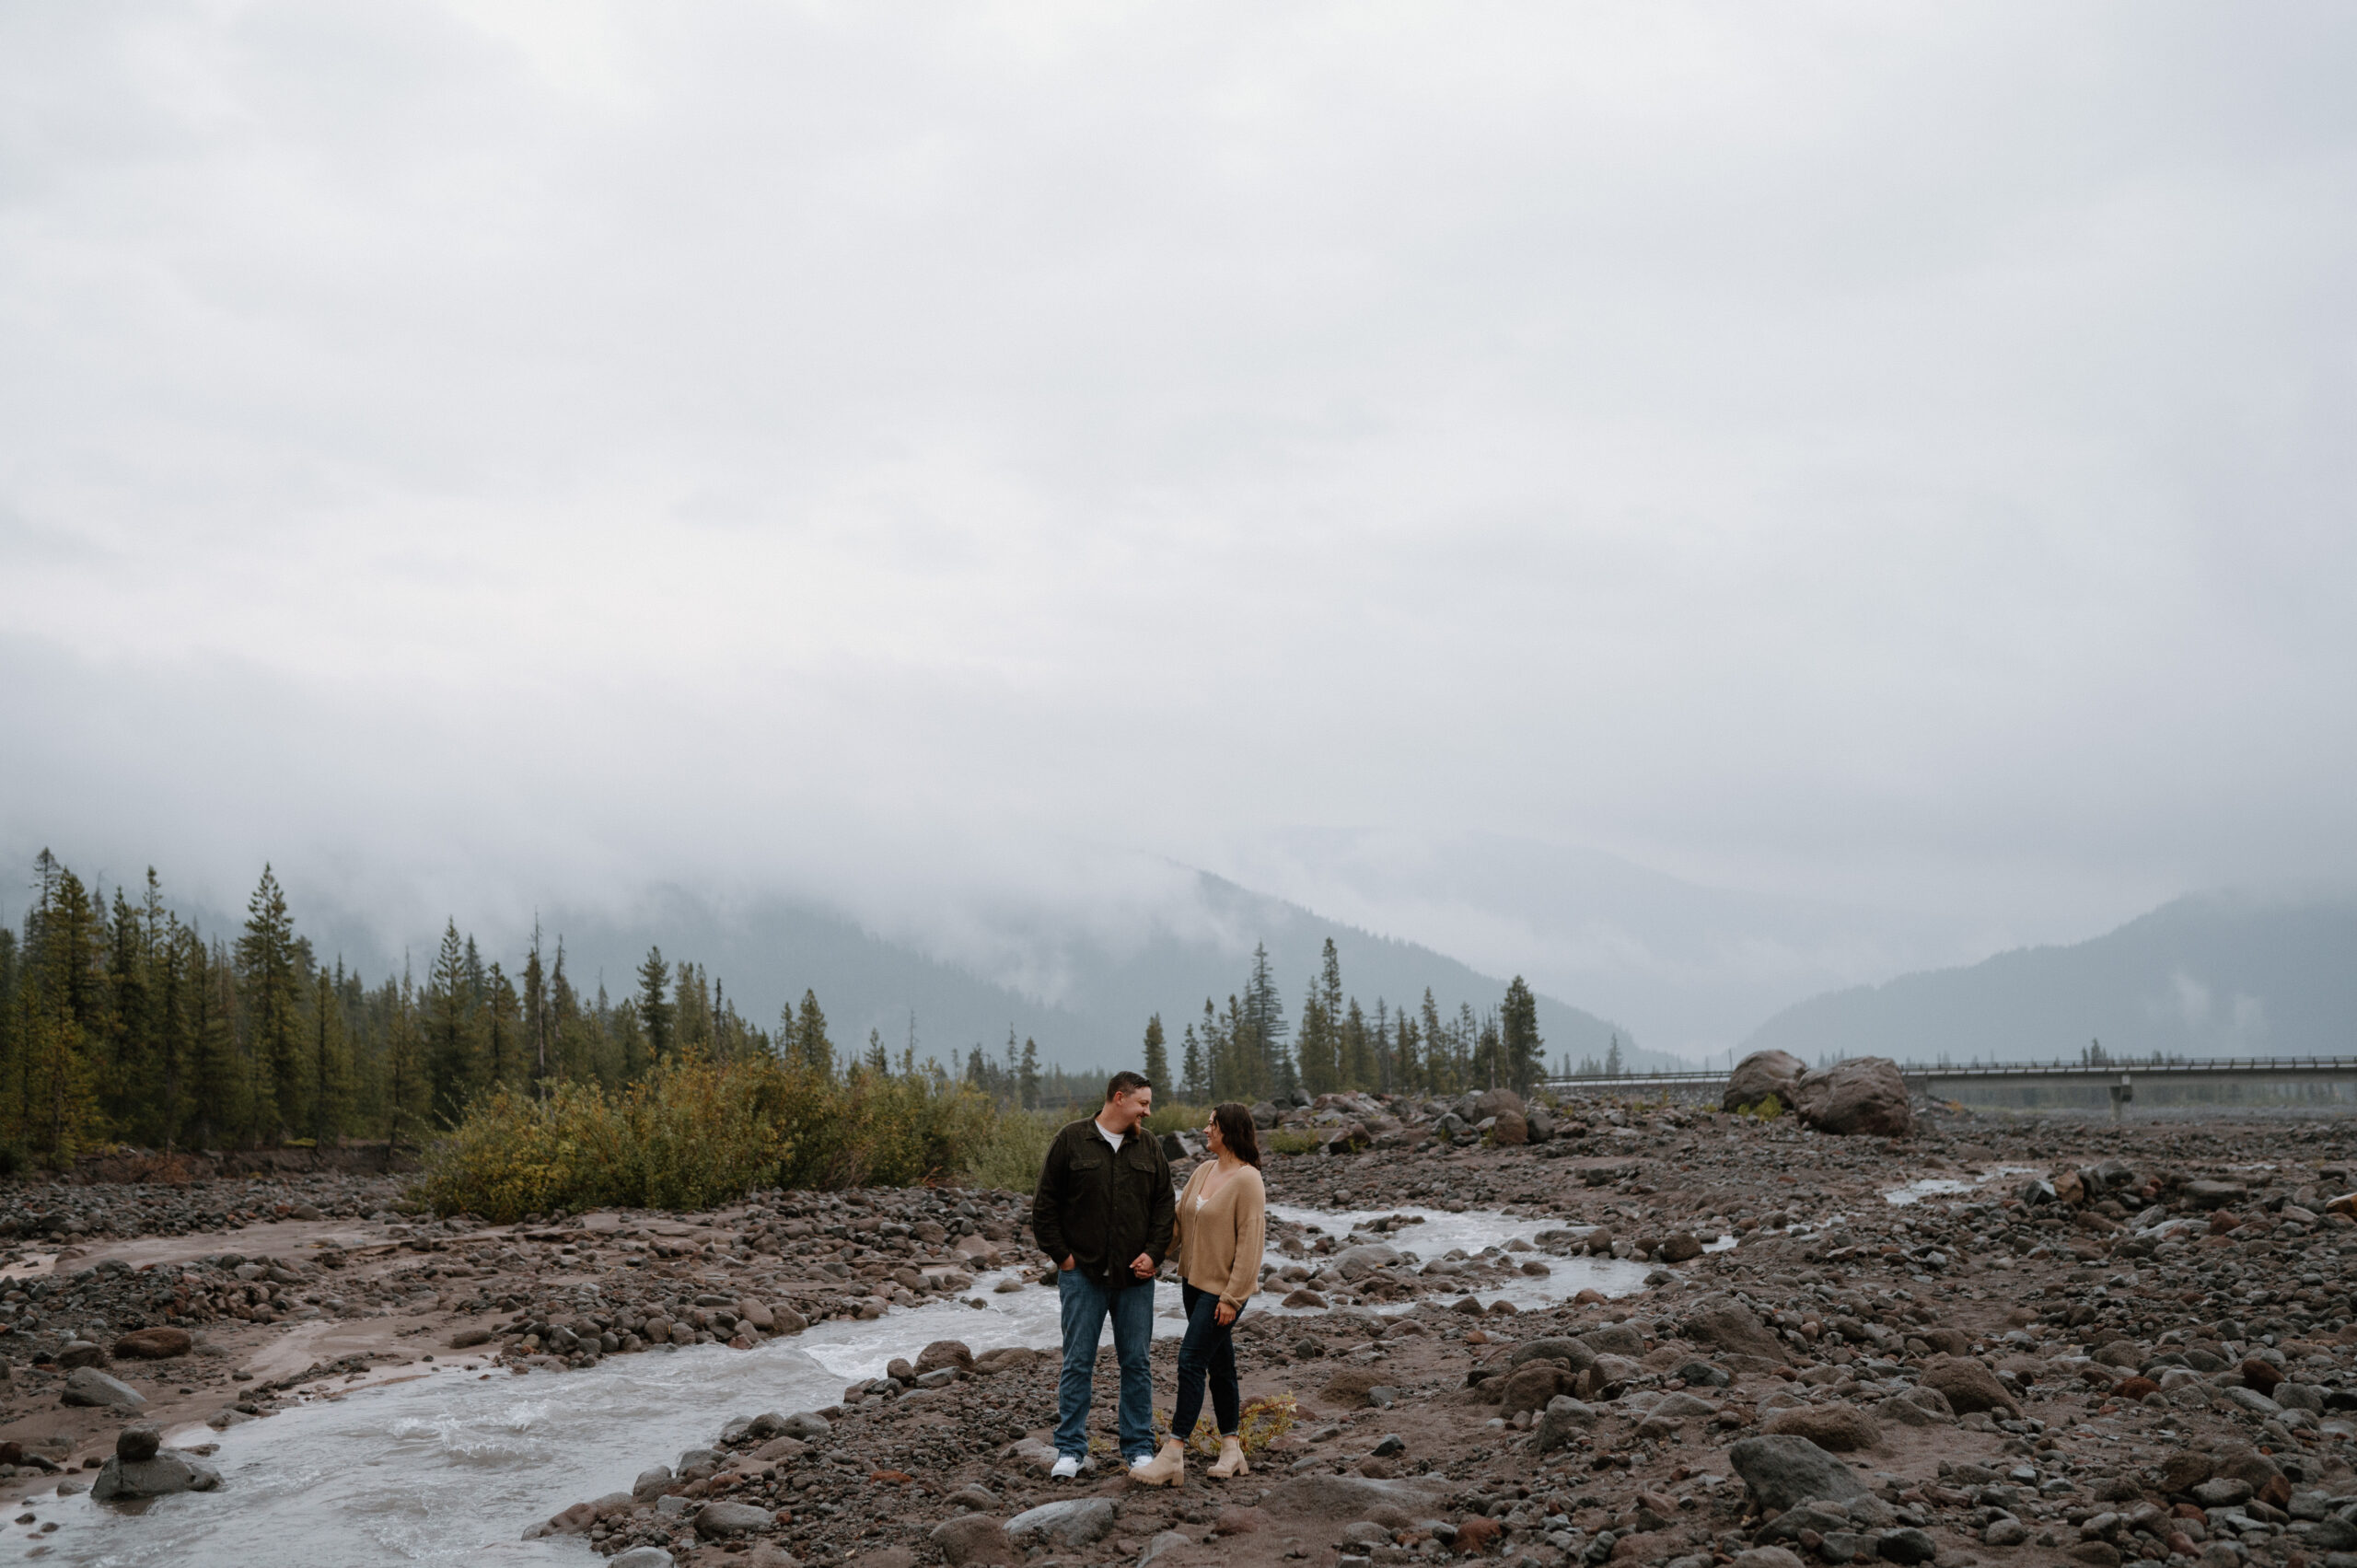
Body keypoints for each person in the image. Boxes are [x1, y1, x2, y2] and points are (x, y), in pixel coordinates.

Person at [1029, 1070, 1175, 1481]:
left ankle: (1139, 1450)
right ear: (1118, 1098)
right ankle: (1070, 1450)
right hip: (1083, 1277)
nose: (1148, 1110)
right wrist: (1064, 1258)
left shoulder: (1149, 1147)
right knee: (1078, 1362)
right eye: (1143, 1103)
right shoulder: (1071, 1140)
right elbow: (1044, 1206)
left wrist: (1154, 1254)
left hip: (1136, 1280)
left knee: (1137, 1363)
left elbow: (1165, 1207)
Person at [1132, 1101, 1266, 1487]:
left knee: (1190, 1361)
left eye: (1212, 1124)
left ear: (1229, 1130)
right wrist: (1154, 1257)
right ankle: (1231, 1450)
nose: (1205, 1130)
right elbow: (1179, 1224)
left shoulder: (1248, 1180)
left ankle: (1173, 1454)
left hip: (1221, 1293)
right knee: (1221, 1365)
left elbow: (1251, 1246)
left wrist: (1233, 1298)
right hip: (1192, 1286)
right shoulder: (1204, 1171)